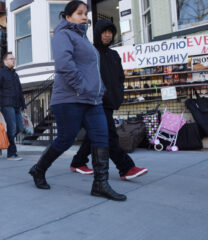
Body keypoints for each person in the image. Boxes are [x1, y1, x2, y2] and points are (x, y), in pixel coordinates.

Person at [28, 1, 126, 201]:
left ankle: (100, 183)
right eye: (79, 13)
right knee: (65, 139)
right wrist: (83, 87)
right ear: (67, 17)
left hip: (92, 99)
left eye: (85, 13)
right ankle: (39, 169)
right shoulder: (62, 34)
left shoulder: (84, 39)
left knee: (101, 137)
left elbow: (91, 69)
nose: (84, 16)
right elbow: (64, 64)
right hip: (69, 99)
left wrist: (99, 90)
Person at [70, 19, 148, 180]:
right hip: (95, 101)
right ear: (98, 33)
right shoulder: (90, 52)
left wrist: (118, 95)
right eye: (104, 32)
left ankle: (78, 162)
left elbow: (119, 78)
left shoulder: (114, 55)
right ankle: (126, 168)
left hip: (110, 101)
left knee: (94, 134)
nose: (108, 35)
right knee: (108, 135)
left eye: (110, 32)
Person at [0, 52, 26, 161]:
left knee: (19, 127)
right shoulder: (0, 73)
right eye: (11, 59)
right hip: (6, 104)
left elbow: (20, 91)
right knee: (12, 128)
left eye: (14, 59)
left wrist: (23, 105)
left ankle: (3, 143)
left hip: (16, 105)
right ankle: (11, 154)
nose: (13, 60)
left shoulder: (15, 75)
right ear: (5, 61)